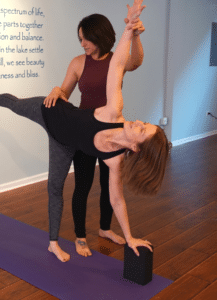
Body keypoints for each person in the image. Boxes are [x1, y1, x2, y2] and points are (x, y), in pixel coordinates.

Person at [0, 0, 170, 262]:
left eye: (142, 129)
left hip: (63, 142)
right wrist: (129, 26)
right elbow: (118, 64)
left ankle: (55, 242)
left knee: (55, 187)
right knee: (14, 104)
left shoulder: (115, 159)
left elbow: (117, 200)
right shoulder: (113, 110)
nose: (138, 122)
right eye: (144, 122)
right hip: (52, 112)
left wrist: (130, 237)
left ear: (135, 147)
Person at [43, 10, 145, 257]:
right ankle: (80, 237)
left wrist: (136, 34)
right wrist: (58, 89)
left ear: (99, 35)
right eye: (80, 39)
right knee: (83, 185)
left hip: (112, 133)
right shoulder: (78, 62)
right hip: (84, 133)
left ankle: (105, 229)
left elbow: (137, 61)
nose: (83, 44)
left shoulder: (116, 60)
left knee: (109, 183)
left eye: (86, 39)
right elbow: (65, 93)